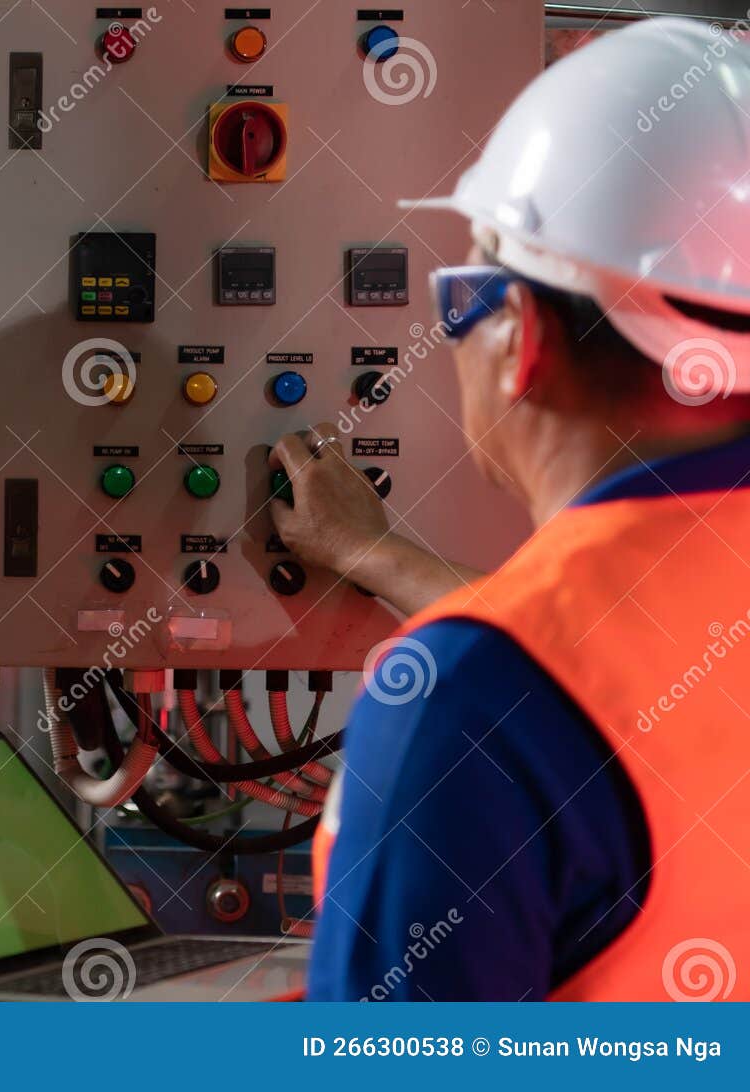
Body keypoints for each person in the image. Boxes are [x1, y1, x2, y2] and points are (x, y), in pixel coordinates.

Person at [274, 19, 750, 1000]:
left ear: (521, 339)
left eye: (460, 299)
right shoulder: (510, 675)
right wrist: (369, 553)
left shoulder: (461, 699)